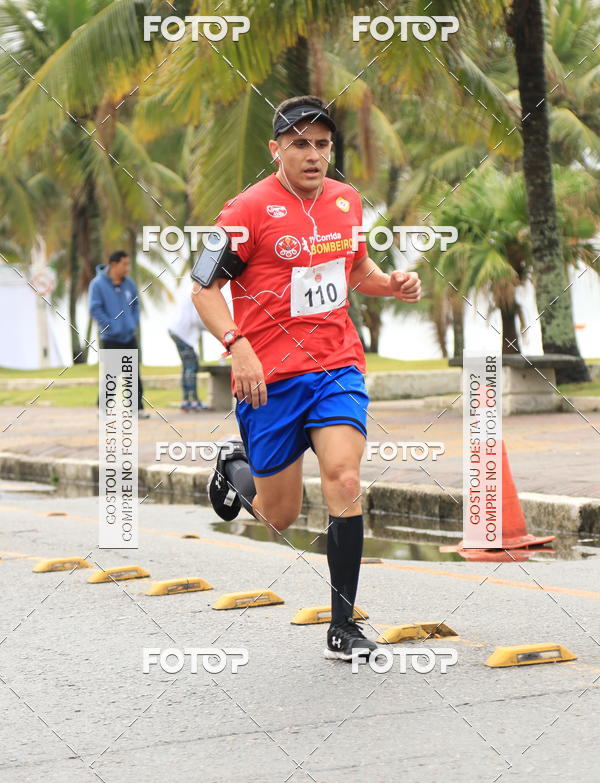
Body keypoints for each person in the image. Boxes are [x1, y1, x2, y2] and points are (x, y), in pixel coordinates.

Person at [191, 96, 421, 662]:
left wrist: (389, 284)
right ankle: (235, 465)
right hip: (268, 378)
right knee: (279, 516)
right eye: (300, 144)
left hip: (336, 364)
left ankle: (343, 626)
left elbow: (355, 268)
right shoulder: (243, 211)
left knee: (344, 479)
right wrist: (235, 344)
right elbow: (202, 288)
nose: (314, 155)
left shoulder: (347, 201)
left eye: (322, 144)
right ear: (276, 149)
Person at [89, 250, 149, 418]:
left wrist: (132, 323)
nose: (127, 268)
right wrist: (111, 326)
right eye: (125, 264)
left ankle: (137, 409)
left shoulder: (129, 284)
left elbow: (136, 305)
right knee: (111, 375)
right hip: (111, 338)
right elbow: (95, 309)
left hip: (129, 335)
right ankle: (103, 409)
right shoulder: (98, 284)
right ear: (114, 264)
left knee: (133, 374)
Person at [167, 294, 207, 411]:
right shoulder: (198, 295)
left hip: (178, 332)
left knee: (186, 367)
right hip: (183, 334)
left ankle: (186, 401)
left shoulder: (192, 294)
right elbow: (197, 319)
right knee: (191, 366)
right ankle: (193, 401)